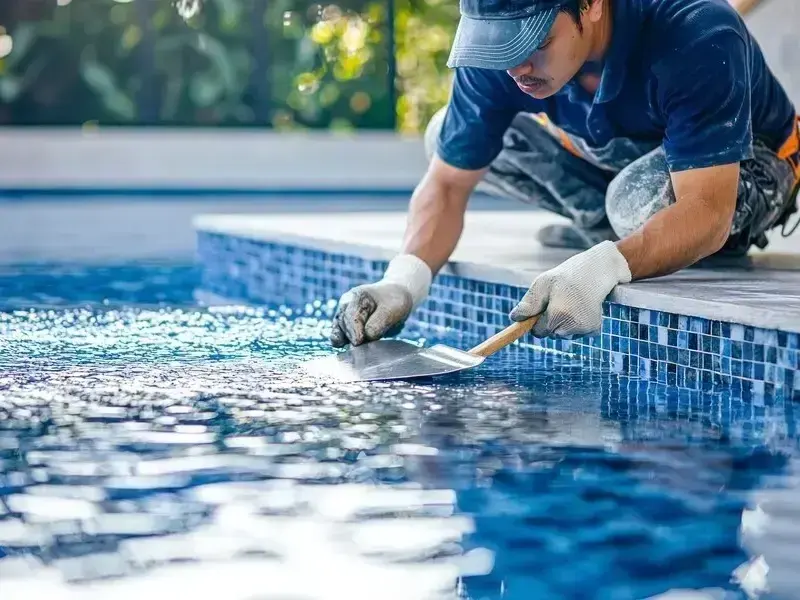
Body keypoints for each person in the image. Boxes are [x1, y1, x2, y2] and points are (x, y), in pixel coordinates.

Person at [329, 0, 800, 347]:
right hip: (623, 158)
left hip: (746, 166)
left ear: (592, 5)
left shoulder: (694, 30)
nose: (516, 66)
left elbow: (707, 209)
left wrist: (607, 266)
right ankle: (612, 231)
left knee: (631, 204)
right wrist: (403, 280)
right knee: (444, 136)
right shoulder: (501, 59)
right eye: (499, 45)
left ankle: (614, 235)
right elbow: (448, 184)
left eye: (533, 41)